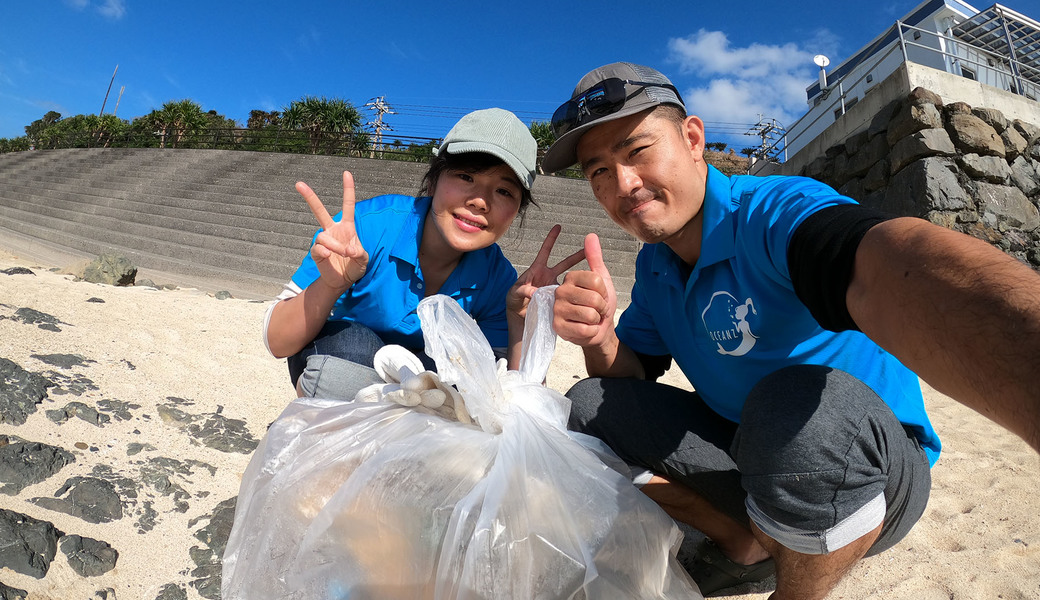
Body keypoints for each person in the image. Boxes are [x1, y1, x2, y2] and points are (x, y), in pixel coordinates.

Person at [542, 62, 1040, 599]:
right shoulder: (656, 265)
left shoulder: (771, 215)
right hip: (749, 449)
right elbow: (632, 371)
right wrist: (599, 338)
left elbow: (886, 268)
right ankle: (747, 541)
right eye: (598, 171)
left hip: (866, 469)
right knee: (590, 402)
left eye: (637, 150)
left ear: (691, 139)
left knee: (794, 401)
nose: (624, 184)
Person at [264, 107, 583, 400]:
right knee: (351, 356)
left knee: (473, 386)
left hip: (420, 371)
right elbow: (277, 342)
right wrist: (330, 285)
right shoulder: (369, 227)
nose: (480, 201)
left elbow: (514, 397)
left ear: (515, 211)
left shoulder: (498, 276)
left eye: (503, 191)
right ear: (433, 181)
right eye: (466, 176)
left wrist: (522, 322)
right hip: (342, 358)